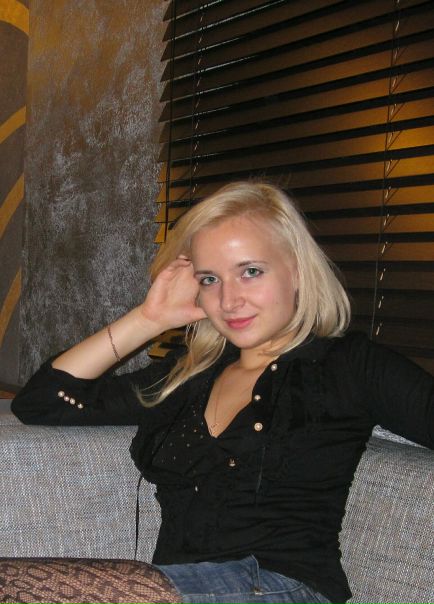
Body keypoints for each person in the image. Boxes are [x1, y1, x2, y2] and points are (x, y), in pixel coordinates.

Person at [12, 181, 434, 604]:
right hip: (175, 590)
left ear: (297, 271)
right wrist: (149, 319)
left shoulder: (348, 366)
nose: (229, 300)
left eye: (250, 271)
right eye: (210, 279)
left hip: (283, 589)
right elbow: (42, 402)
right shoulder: (187, 377)